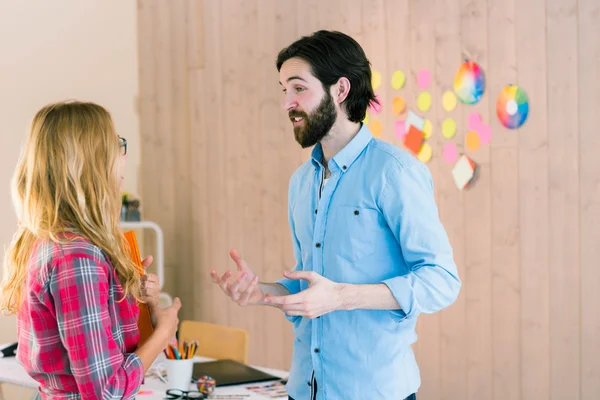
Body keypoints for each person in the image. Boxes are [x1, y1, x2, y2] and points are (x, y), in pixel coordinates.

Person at [210, 31, 461, 400]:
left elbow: (441, 281)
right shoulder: (300, 183)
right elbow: (312, 290)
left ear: (340, 90)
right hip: (304, 389)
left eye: (298, 88)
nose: (287, 104)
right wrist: (261, 293)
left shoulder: (394, 173)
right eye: (283, 91)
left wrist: (342, 297)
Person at [0, 101, 182, 400]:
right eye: (115, 144)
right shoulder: (78, 258)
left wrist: (136, 302)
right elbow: (105, 392)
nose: (122, 154)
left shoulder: (53, 242)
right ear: (90, 161)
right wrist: (164, 333)